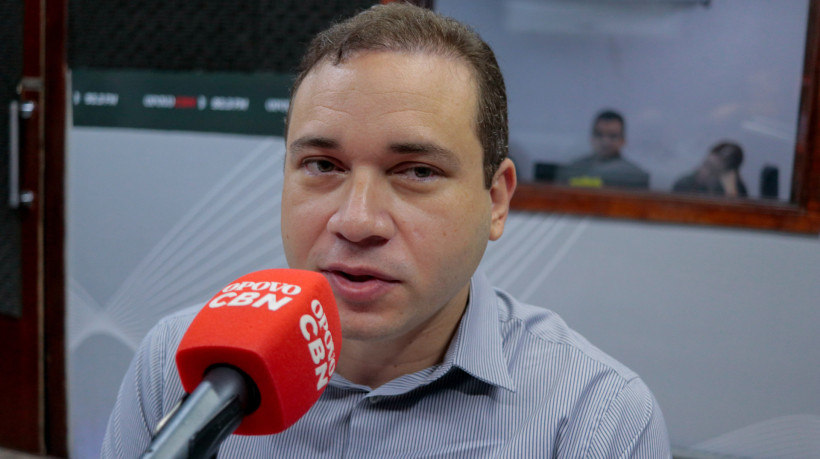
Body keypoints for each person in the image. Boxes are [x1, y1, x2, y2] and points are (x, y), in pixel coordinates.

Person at [102, 4, 671, 457]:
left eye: (417, 172)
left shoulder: (595, 420)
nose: (357, 221)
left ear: (495, 200)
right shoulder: (182, 364)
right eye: (323, 166)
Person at [557, 110, 650, 189]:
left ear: (623, 141)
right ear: (592, 138)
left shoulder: (635, 177)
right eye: (599, 135)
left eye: (612, 136)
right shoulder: (572, 171)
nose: (605, 142)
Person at [672, 141, 748, 197]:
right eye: (706, 165)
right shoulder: (685, 184)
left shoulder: (734, 189)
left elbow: (739, 214)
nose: (704, 171)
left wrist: (731, 191)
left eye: (712, 170)